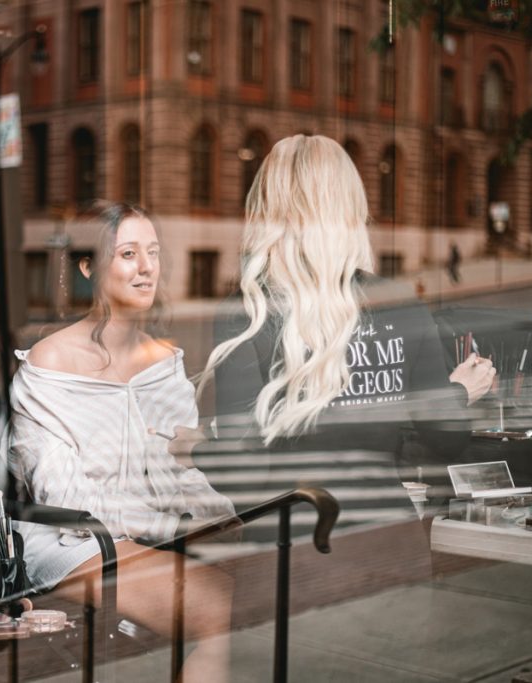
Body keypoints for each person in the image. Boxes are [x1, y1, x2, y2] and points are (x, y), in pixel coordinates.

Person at [194, 134, 494, 515]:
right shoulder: (397, 302)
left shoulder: (249, 313)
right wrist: (460, 391)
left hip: (292, 545)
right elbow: (447, 441)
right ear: (351, 207)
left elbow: (245, 475)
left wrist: (194, 448)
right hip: (386, 533)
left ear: (268, 208)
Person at [5, 203, 236, 683]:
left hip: (147, 536)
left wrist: (222, 516)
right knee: (216, 601)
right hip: (74, 541)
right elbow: (62, 495)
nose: (146, 267)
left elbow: (180, 471)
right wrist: (170, 525)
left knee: (265, 584)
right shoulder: (49, 364)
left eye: (152, 253)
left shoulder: (164, 361)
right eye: (128, 253)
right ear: (88, 266)